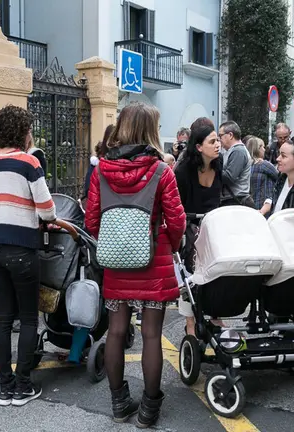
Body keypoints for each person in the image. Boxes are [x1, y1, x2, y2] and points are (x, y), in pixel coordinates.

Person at [85, 102, 185, 427]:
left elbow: (91, 220)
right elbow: (177, 220)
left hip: (117, 265)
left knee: (115, 332)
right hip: (153, 263)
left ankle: (119, 403)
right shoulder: (162, 171)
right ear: (151, 130)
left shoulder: (101, 170)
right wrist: (168, 241)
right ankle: (148, 411)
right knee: (152, 335)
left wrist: (116, 241)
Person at [0, 105, 56, 407]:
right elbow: (47, 209)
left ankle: (5, 387)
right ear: (23, 133)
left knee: (3, 319)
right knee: (28, 319)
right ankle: (22, 386)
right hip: (22, 250)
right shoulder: (28, 162)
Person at [174, 125, 221, 336]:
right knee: (189, 277)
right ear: (199, 147)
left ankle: (216, 315)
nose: (218, 144)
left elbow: (227, 196)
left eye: (218, 140)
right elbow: (176, 205)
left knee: (218, 273)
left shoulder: (219, 167)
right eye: (213, 141)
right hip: (188, 230)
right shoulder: (183, 172)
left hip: (213, 229)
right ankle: (190, 323)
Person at [218, 121, 254, 207]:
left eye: (221, 136)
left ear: (230, 135)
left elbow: (229, 177)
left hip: (236, 201)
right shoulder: (232, 151)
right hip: (233, 200)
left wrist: (212, 169)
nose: (219, 139)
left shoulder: (238, 151)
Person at [246, 136, 278, 211]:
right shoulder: (263, 165)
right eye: (263, 147)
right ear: (258, 149)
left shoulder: (246, 166)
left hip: (251, 205)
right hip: (266, 205)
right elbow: (279, 177)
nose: (264, 150)